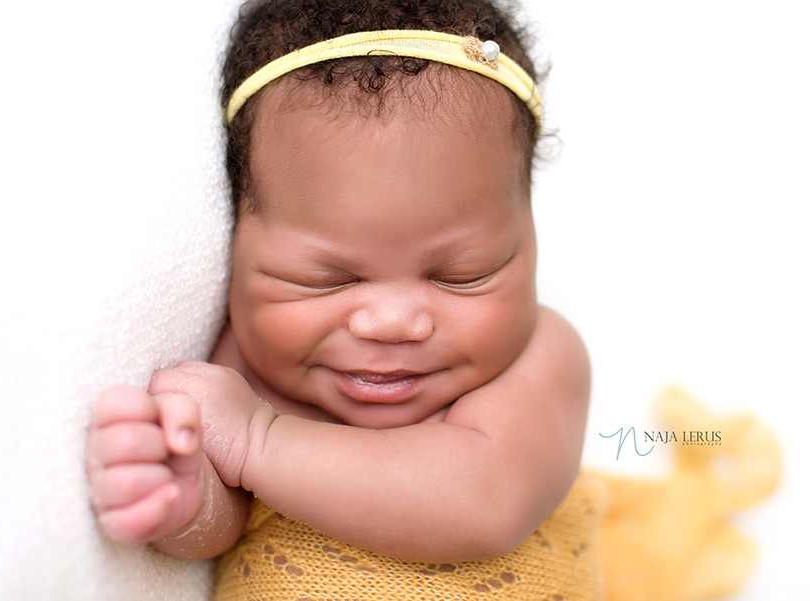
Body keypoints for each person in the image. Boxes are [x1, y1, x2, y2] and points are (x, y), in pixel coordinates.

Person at [86, 0, 599, 596]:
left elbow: (487, 501)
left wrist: (258, 442)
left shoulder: (540, 358)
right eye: (324, 279)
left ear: (529, 232)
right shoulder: (251, 371)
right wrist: (178, 491)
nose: (392, 322)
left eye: (463, 274)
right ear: (236, 241)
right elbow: (218, 529)